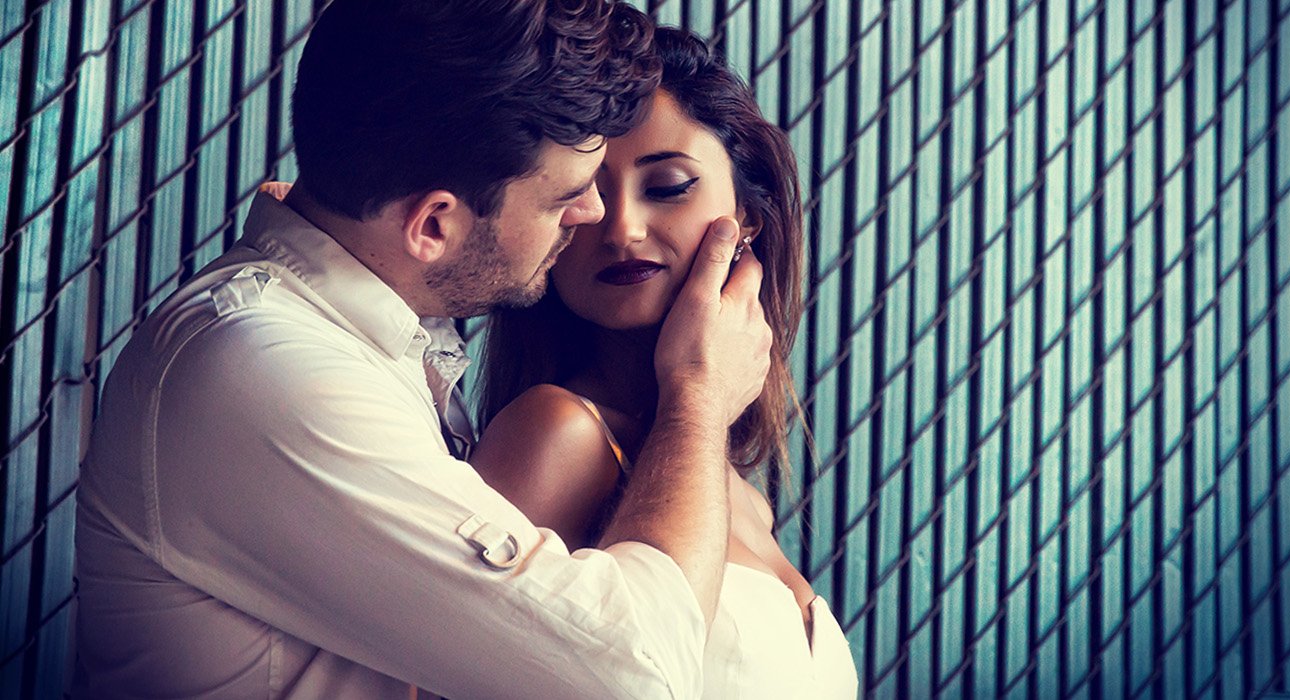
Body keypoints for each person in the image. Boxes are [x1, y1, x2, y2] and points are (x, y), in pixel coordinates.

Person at [71, 2, 772, 698]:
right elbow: (636, 678)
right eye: (564, 197)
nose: (594, 217)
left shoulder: (370, 344)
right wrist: (699, 396)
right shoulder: (269, 371)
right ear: (433, 225)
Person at [471, 28, 859, 697]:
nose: (622, 227)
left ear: (748, 214)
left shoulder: (737, 491)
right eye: (585, 194)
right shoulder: (556, 434)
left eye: (669, 186)